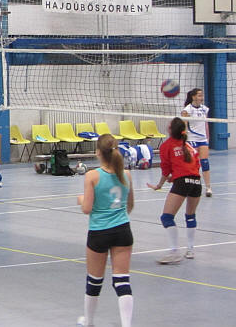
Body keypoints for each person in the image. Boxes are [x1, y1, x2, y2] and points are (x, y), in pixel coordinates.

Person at [76, 134, 134, 327]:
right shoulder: (126, 175)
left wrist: (80, 199)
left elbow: (87, 209)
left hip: (99, 232)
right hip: (123, 230)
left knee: (94, 280)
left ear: (98, 152)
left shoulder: (92, 176)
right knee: (122, 280)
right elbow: (130, 205)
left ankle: (89, 321)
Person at [147, 117, 202, 264]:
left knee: (167, 217)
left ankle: (174, 252)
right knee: (190, 216)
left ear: (170, 129)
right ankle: (190, 250)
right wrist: (177, 176)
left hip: (183, 182)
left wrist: (159, 185)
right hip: (196, 182)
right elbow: (196, 165)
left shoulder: (167, 146)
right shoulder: (188, 145)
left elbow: (165, 170)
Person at [181, 88, 212, 197]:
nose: (201, 97)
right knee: (192, 165)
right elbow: (184, 126)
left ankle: (208, 188)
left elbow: (206, 124)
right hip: (191, 140)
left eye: (202, 95)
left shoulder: (204, 109)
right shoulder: (187, 110)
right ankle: (192, 187)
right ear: (193, 97)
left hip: (202, 140)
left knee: (205, 163)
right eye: (199, 95)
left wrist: (208, 137)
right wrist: (184, 141)